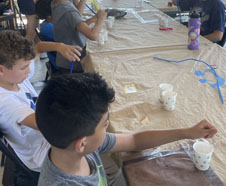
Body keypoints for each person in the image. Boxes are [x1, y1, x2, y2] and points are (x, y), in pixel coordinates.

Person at [35, 73, 218, 186]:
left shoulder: (76, 149)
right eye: (105, 124)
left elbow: (134, 140)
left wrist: (187, 132)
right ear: (82, 143)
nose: (107, 128)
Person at [0, 30, 82, 186]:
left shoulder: (14, 78)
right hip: (39, 155)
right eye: (24, 67)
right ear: (0, 70)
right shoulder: (1, 101)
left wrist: (60, 47)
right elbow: (44, 123)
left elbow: (38, 48)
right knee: (92, 143)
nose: (29, 71)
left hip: (43, 139)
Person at [47, 0, 107, 74]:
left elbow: (76, 18)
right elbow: (93, 35)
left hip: (65, 60)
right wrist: (100, 19)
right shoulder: (67, 9)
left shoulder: (58, 2)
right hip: (73, 64)